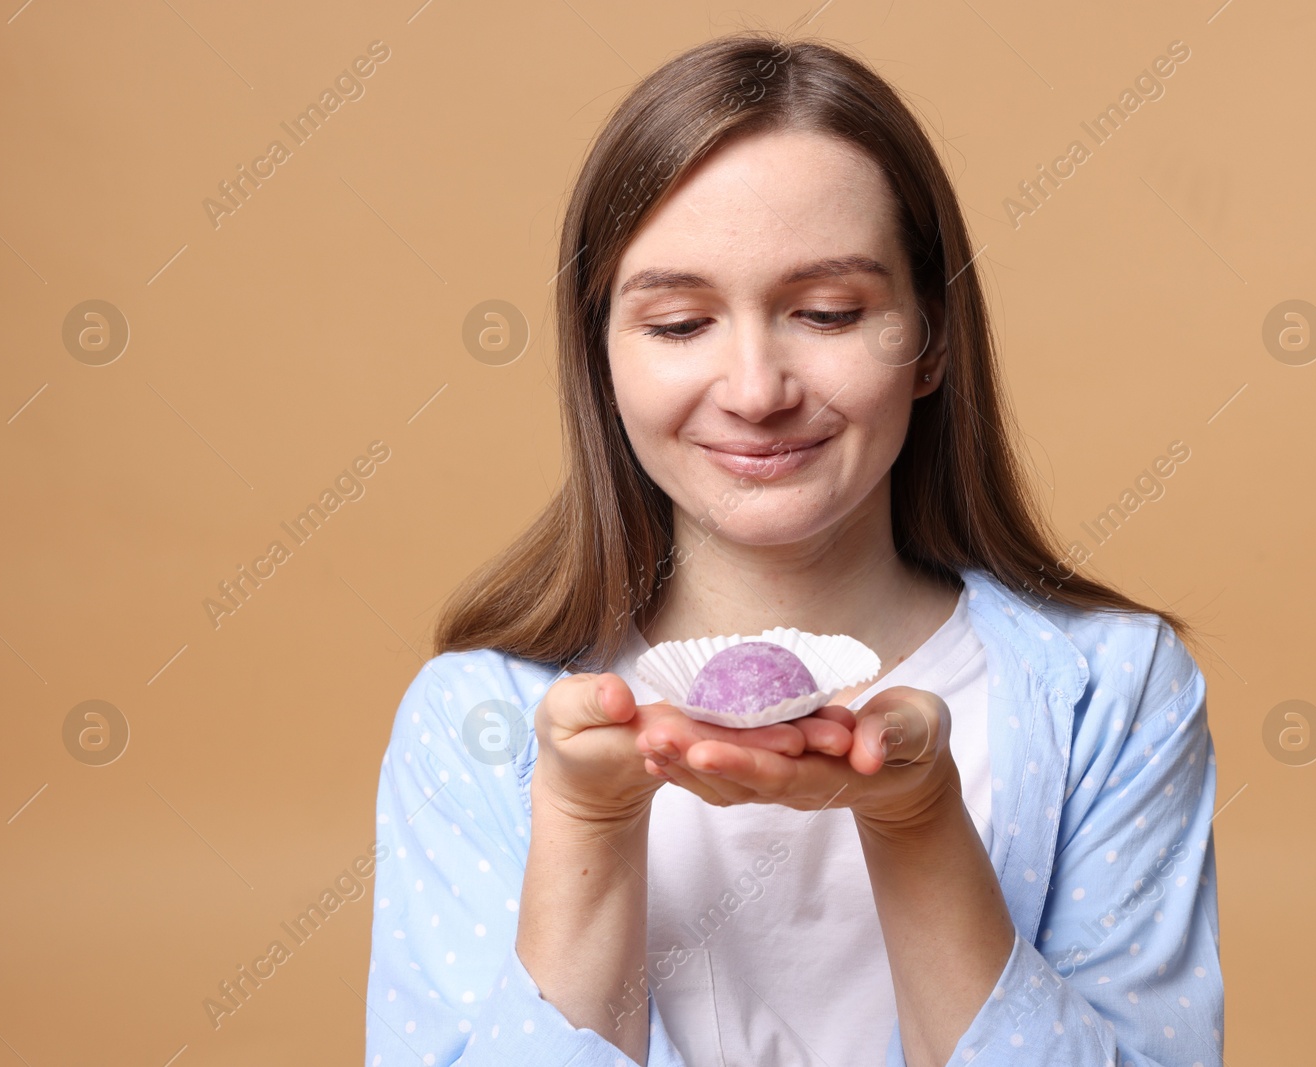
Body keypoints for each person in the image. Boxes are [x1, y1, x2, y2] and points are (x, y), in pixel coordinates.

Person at [365, 29, 1223, 1067]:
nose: (756, 389)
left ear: (931, 338)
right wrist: (585, 826)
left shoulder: (1110, 691)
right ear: (601, 362)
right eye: (679, 324)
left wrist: (918, 819)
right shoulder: (481, 719)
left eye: (825, 311)